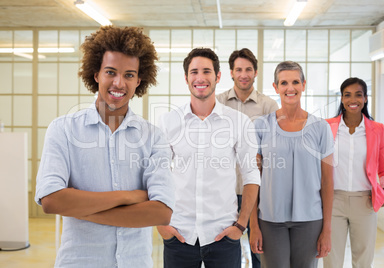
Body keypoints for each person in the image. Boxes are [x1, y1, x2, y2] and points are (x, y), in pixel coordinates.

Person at [35, 26, 175, 268]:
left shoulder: (153, 137)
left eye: (129, 75)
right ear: (96, 74)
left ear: (139, 80)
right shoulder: (64, 130)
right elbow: (51, 200)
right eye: (111, 72)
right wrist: (128, 196)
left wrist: (81, 209)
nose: (119, 83)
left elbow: (161, 212)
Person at [156, 47, 260, 268]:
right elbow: (156, 174)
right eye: (194, 72)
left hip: (223, 234)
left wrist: (240, 226)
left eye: (206, 71)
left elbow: (252, 175)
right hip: (179, 234)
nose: (200, 78)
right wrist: (161, 226)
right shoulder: (169, 122)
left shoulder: (239, 123)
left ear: (218, 76)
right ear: (186, 78)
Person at [249, 61, 334, 268]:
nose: (290, 88)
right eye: (284, 82)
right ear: (276, 87)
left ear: (303, 85)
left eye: (295, 81)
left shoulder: (320, 128)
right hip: (270, 220)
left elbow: (327, 180)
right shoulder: (260, 126)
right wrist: (254, 224)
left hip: (310, 219)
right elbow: (252, 178)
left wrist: (327, 229)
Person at [217, 48, 278, 268]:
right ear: (231, 73)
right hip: (224, 191)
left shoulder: (268, 106)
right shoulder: (218, 103)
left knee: (260, 252)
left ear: (256, 72)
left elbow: (271, 151)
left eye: (248, 69)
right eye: (239, 69)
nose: (244, 74)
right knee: (224, 251)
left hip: (258, 191)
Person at [323, 77, 384, 268]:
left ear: (365, 98)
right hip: (333, 201)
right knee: (331, 259)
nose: (353, 99)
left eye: (358, 94)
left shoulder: (377, 129)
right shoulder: (327, 127)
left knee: (363, 260)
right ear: (342, 99)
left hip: (365, 201)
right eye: (347, 95)